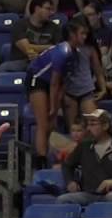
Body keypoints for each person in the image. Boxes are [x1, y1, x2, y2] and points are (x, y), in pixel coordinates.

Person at [28, 18, 93, 167]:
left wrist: (56, 106)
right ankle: (41, 162)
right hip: (37, 78)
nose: (85, 37)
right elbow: (54, 82)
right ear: (72, 34)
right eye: (82, 33)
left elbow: (62, 82)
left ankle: (48, 158)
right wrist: (52, 106)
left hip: (52, 83)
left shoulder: (74, 53)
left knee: (52, 124)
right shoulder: (62, 52)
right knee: (43, 123)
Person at [55, 109, 112, 206]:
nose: (88, 128)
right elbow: (67, 165)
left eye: (93, 124)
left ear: (105, 126)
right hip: (89, 194)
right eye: (88, 125)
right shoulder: (84, 145)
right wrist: (70, 181)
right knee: (62, 200)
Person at [0, 0, 60, 73]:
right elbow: (27, 48)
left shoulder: (55, 27)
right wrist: (49, 47)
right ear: (37, 9)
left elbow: (58, 49)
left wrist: (37, 51)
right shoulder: (20, 25)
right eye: (48, 9)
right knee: (4, 68)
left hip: (45, 62)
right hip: (22, 61)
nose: (52, 13)